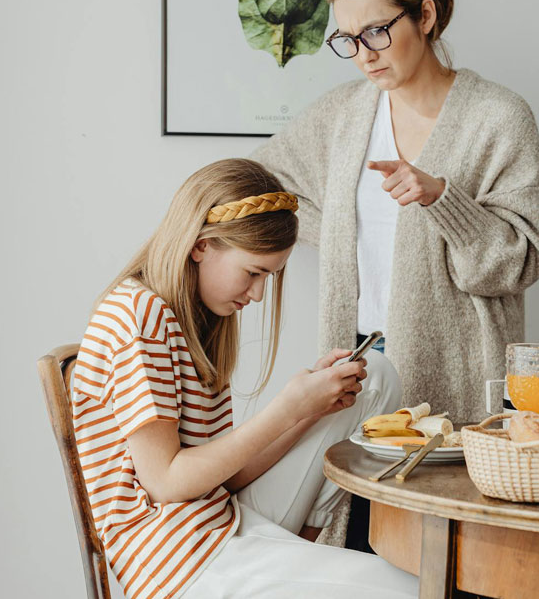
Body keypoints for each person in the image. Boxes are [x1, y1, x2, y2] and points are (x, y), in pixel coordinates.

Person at [71, 158, 418, 599]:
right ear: (201, 246)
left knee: (373, 377)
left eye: (268, 278)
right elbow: (167, 483)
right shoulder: (139, 315)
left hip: (220, 518)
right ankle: (296, 562)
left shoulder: (193, 319)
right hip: (178, 558)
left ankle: (302, 546)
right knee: (414, 590)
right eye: (253, 273)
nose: (257, 294)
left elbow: (224, 478)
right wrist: (288, 408)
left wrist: (308, 411)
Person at [253, 0, 539, 426]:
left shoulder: (498, 117)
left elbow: (517, 263)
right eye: (348, 39)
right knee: (356, 500)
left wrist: (442, 199)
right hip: (354, 361)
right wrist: (334, 229)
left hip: (457, 365)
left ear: (426, 16)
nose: (363, 56)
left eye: (376, 31)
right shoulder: (344, 114)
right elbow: (258, 181)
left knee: (439, 498)